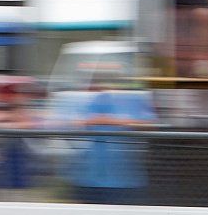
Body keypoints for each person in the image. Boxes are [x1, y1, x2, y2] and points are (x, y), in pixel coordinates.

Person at [54, 63, 157, 206]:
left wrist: (113, 121)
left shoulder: (133, 99)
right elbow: (60, 123)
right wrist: (88, 122)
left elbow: (149, 124)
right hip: (85, 176)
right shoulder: (78, 99)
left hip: (124, 178)